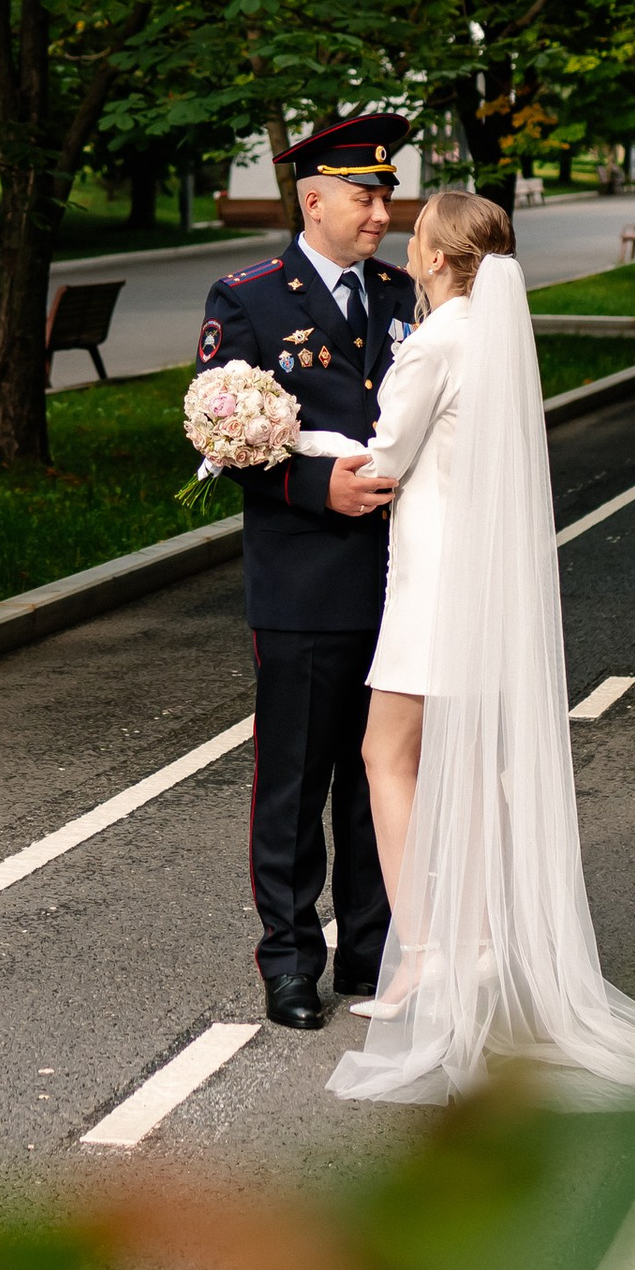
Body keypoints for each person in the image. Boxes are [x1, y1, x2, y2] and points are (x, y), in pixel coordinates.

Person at [332, 191, 635, 1107]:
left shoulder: (432, 342)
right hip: (485, 588)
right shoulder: (498, 342)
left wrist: (283, 440)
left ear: (441, 259)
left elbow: (384, 459)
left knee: (386, 755)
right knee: (481, 762)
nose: (406, 247)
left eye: (417, 238)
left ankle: (425, 959)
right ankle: (490, 944)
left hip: (430, 589)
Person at [196, 114, 418, 1031]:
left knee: (382, 775)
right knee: (294, 781)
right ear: (313, 197)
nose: (381, 214)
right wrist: (317, 485)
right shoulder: (248, 297)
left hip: (404, 577)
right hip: (302, 579)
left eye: (387, 197)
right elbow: (225, 435)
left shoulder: (404, 292)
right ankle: (290, 960)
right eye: (367, 197)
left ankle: (370, 949)